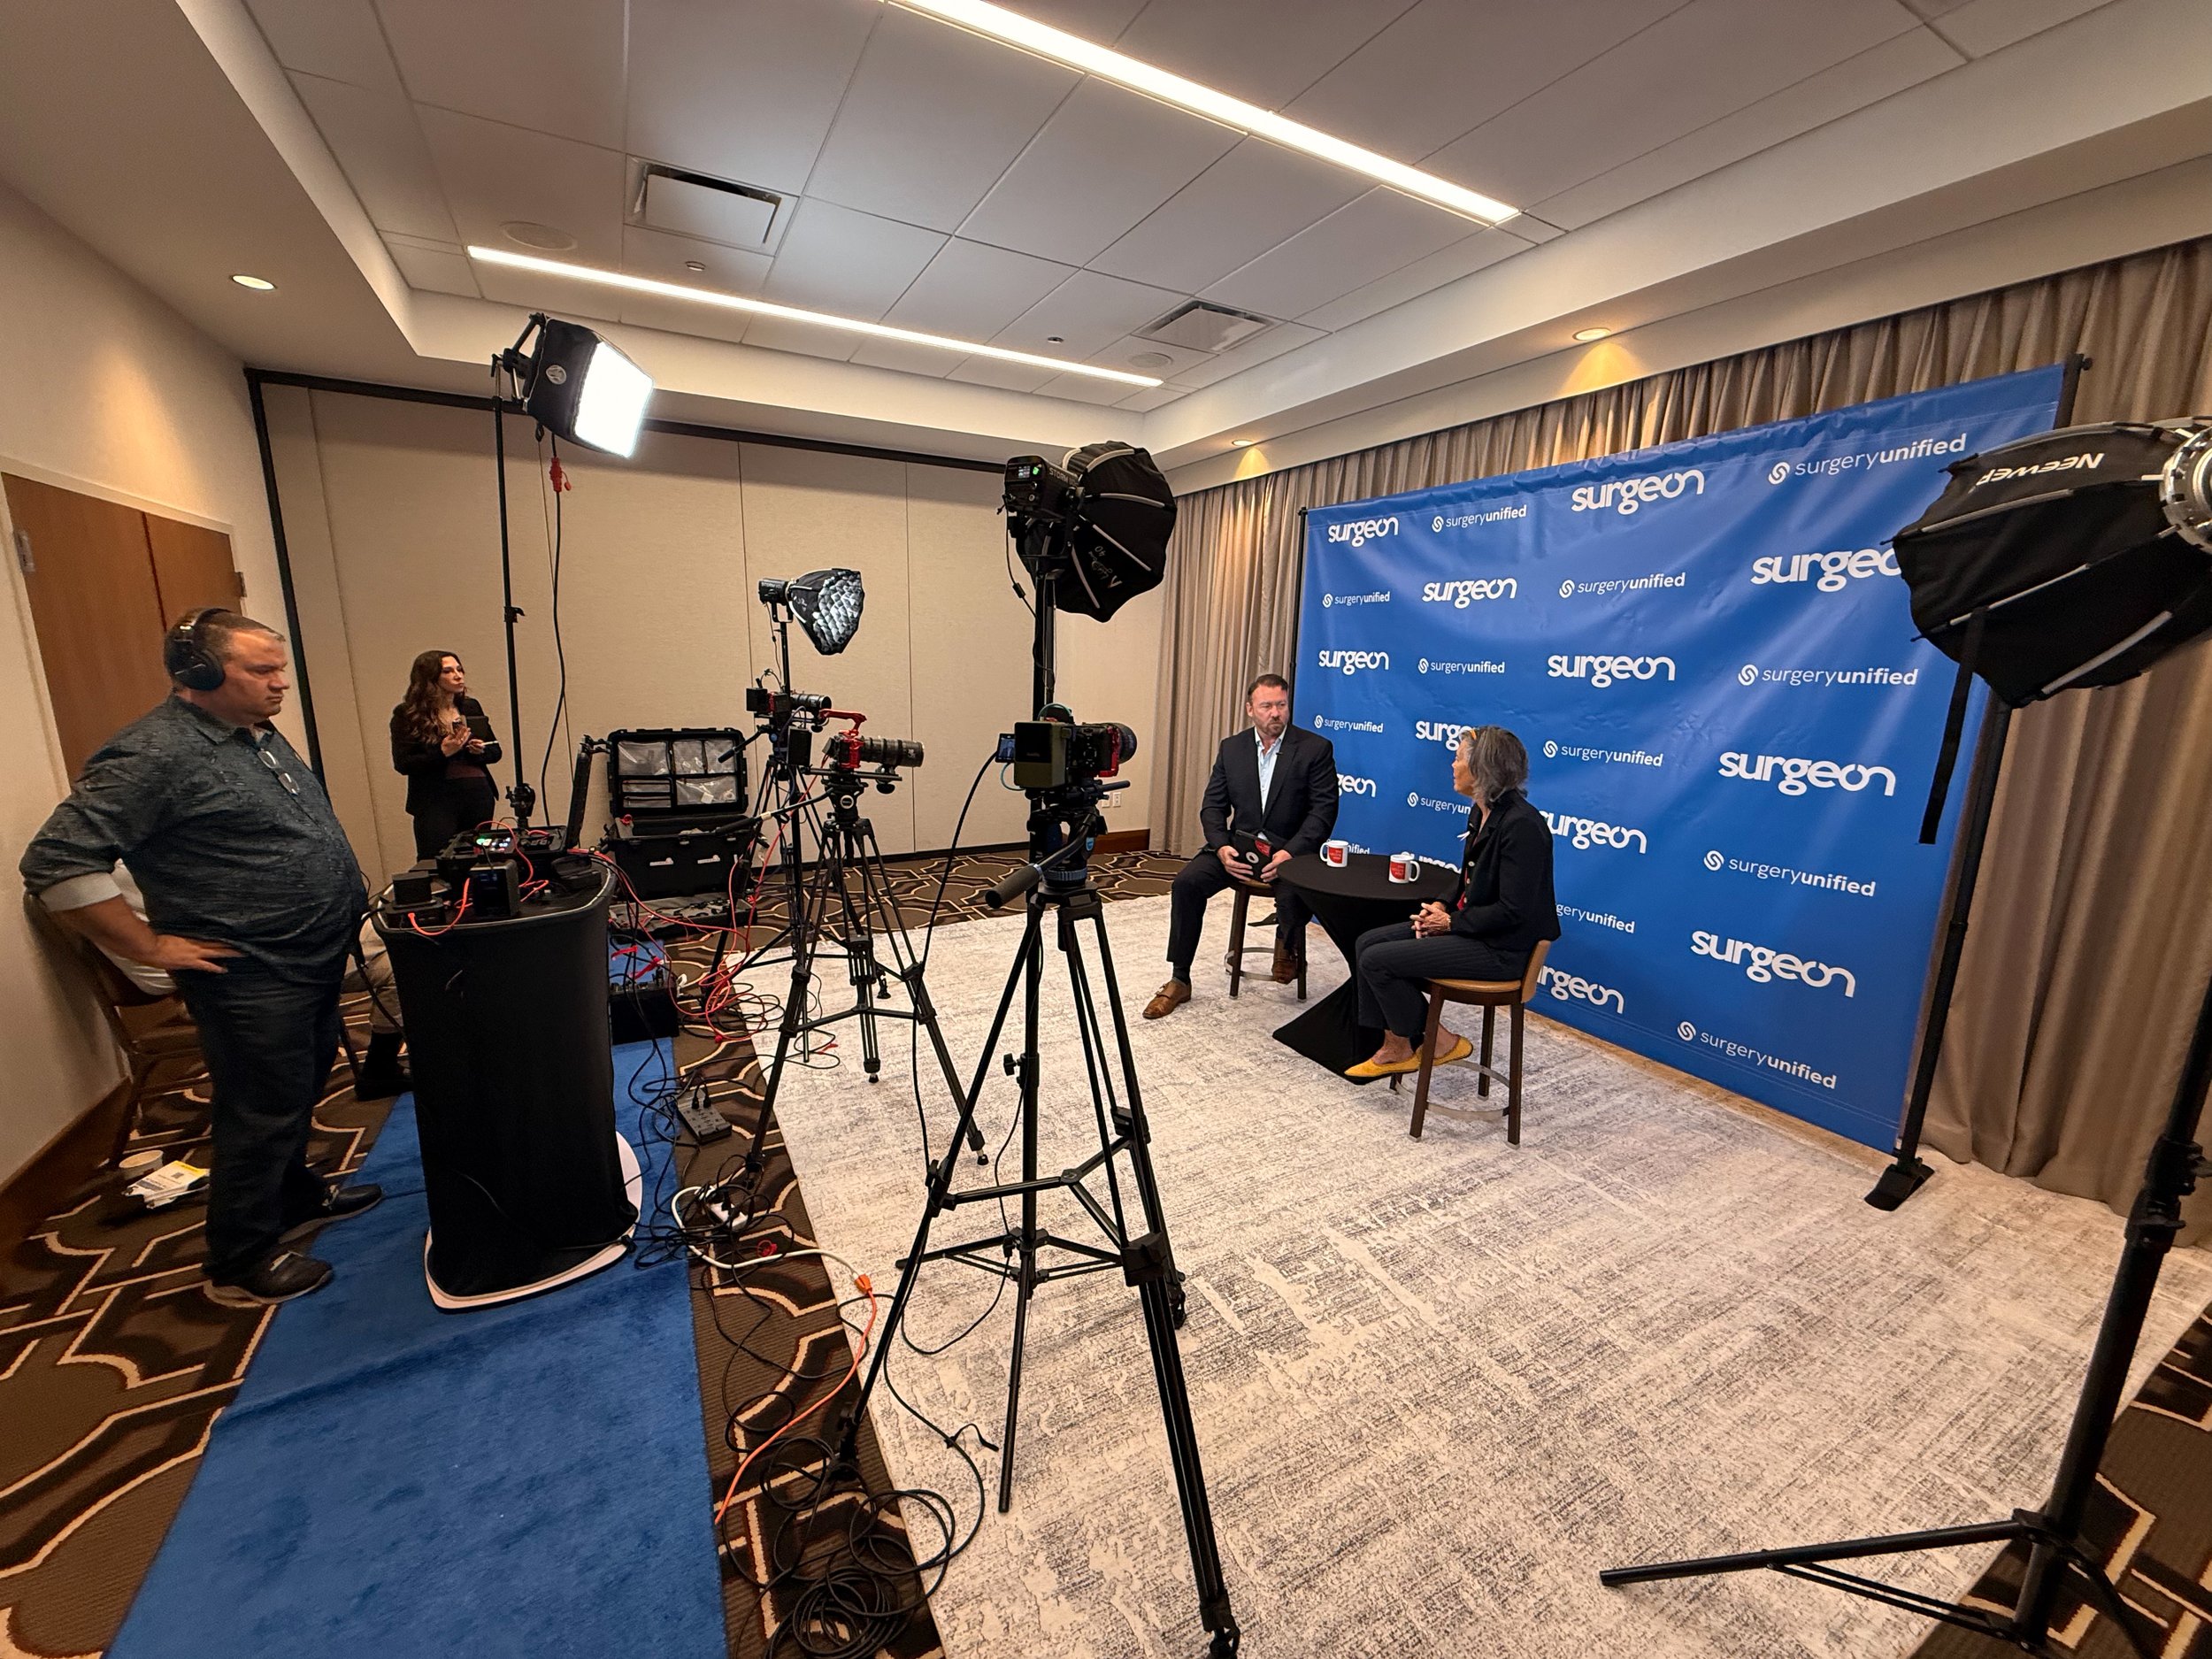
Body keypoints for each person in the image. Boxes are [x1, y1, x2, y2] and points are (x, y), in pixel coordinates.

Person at [21, 609, 380, 1305]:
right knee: (259, 1107)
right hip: (249, 970)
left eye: (280, 668)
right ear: (201, 673)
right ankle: (240, 1257)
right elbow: (56, 859)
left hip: (306, 955)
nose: (282, 683)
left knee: (301, 1083)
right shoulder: (154, 753)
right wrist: (149, 945)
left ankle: (296, 1195)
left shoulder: (253, 733)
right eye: (262, 670)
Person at [43, 865, 409, 1098]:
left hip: (271, 952)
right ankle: (382, 1067)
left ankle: (382, 1065)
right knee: (401, 953)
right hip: (248, 971)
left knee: (395, 945)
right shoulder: (131, 872)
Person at [1346, 726, 1559, 1078]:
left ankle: (1438, 1041)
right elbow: (1466, 879)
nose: (1452, 764)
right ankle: (1398, 1044)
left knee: (1378, 961)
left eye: (1459, 758)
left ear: (1482, 770)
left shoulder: (1523, 826)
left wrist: (1450, 924)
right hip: (1475, 930)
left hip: (1503, 949)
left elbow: (1513, 910)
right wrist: (1444, 905)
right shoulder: (1482, 811)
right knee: (1367, 942)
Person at [1145, 673, 1339, 1019]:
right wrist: (1220, 847)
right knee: (1187, 884)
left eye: (1281, 705)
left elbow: (1323, 812)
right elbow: (1212, 807)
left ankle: (1288, 946)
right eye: (1267, 706)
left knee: (1295, 884)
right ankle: (1179, 977)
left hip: (1290, 851)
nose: (1275, 713)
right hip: (1239, 849)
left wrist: (1290, 852)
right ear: (1250, 709)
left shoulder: (1315, 749)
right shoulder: (1231, 748)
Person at [390, 650, 501, 860]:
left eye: (459, 670)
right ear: (430, 678)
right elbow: (404, 763)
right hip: (436, 800)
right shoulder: (407, 713)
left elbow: (495, 751)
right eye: (448, 671)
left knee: (480, 859)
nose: (458, 676)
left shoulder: (470, 706)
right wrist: (442, 752)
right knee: (436, 859)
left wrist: (479, 750)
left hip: (477, 794)